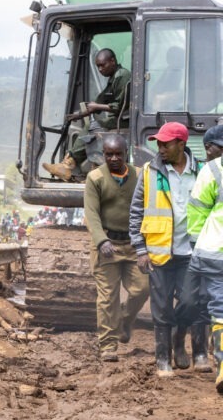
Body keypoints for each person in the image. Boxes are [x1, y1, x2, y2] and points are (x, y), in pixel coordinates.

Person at [129, 122, 207, 376]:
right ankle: (163, 358)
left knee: (190, 301)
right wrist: (140, 249)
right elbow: (136, 211)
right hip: (159, 251)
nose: (160, 148)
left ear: (181, 144)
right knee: (161, 307)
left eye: (166, 144)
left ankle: (178, 338)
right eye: (158, 143)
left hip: (191, 252)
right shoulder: (150, 172)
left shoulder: (202, 172)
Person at [83, 134, 148, 361]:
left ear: (126, 153)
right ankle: (108, 345)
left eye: (118, 154)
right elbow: (91, 213)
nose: (113, 158)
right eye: (109, 154)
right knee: (107, 297)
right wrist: (101, 241)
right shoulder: (95, 178)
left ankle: (124, 320)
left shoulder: (140, 175)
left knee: (143, 288)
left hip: (133, 244)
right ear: (103, 155)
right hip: (106, 244)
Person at [44, 48, 131, 181]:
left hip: (125, 120)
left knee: (92, 127)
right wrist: (80, 115)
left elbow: (119, 107)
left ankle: (68, 164)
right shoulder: (115, 77)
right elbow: (103, 99)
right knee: (92, 126)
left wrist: (96, 106)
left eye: (103, 65)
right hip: (121, 118)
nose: (100, 69)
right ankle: (74, 165)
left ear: (112, 61)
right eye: (98, 67)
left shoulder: (121, 76)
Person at [187, 124, 223, 391]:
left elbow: (197, 213)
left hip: (215, 253)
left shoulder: (211, 171)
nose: (206, 153)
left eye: (208, 148)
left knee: (220, 310)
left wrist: (195, 243)